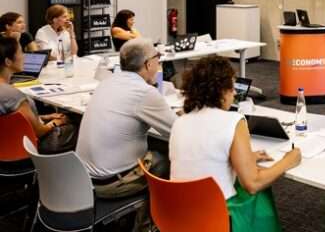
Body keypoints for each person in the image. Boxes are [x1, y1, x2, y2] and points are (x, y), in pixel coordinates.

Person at [170, 56, 301, 231]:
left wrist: (245, 157)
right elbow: (253, 184)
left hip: (179, 214)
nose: (234, 93)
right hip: (217, 217)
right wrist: (288, 161)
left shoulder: (180, 122)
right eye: (232, 87)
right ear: (221, 91)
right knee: (260, 189)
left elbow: (204, 155)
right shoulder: (234, 121)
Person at [76, 38, 176, 199]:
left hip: (84, 180)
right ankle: (154, 214)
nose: (159, 63)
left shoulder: (106, 82)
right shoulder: (144, 92)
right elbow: (177, 132)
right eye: (157, 58)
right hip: (112, 184)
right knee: (167, 159)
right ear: (148, 64)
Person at [0, 37, 77, 153]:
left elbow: (15, 119)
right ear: (8, 62)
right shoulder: (14, 95)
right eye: (20, 52)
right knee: (79, 125)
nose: (24, 56)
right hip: (35, 145)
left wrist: (46, 117)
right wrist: (56, 122)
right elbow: (39, 131)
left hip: (6, 146)